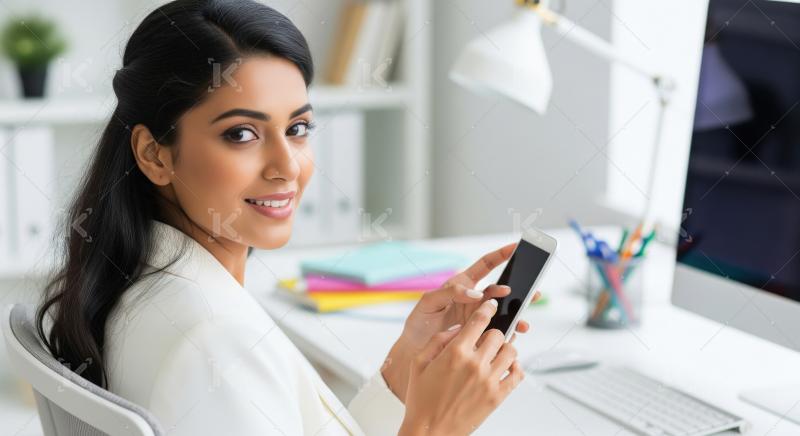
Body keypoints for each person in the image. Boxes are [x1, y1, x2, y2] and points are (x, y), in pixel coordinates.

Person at [36, 1, 536, 434]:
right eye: (241, 134)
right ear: (155, 154)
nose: (288, 166)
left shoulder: (152, 279)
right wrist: (436, 426)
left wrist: (405, 364)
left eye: (297, 127)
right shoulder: (217, 341)